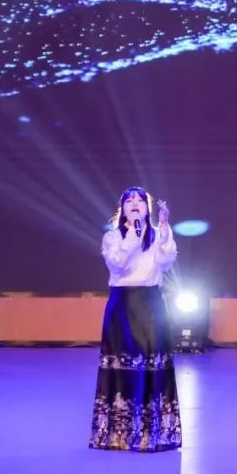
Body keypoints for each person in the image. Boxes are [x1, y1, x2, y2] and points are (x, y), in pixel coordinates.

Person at [89, 186, 182, 452]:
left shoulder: (157, 235)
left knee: (150, 366)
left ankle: (150, 434)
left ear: (146, 208)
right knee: (121, 367)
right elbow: (117, 263)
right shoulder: (113, 237)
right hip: (122, 305)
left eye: (139, 201)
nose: (134, 204)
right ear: (122, 208)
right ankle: (118, 434)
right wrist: (133, 233)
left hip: (150, 306)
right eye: (129, 201)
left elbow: (167, 260)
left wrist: (164, 228)